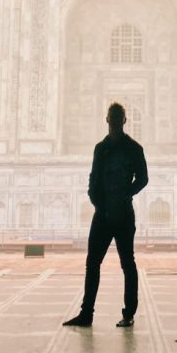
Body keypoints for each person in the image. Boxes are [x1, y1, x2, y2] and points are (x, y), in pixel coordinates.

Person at [63, 102, 148, 328]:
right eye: (113, 118)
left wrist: (125, 195)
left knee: (127, 264)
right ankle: (86, 314)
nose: (115, 122)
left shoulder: (134, 149)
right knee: (93, 263)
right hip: (103, 213)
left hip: (122, 214)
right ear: (108, 120)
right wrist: (97, 201)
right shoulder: (101, 148)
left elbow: (143, 178)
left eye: (118, 118)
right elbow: (93, 179)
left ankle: (128, 314)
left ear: (123, 121)